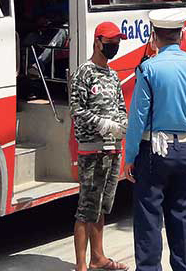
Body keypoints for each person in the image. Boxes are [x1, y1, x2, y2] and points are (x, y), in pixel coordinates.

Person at [123, 8, 186, 271]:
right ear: (182, 35)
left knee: (148, 220)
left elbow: (138, 118)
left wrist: (129, 157)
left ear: (154, 37)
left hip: (153, 153)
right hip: (184, 149)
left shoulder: (149, 69)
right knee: (181, 218)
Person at [70, 22, 130, 271]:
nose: (114, 47)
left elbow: (121, 108)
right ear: (97, 42)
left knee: (102, 206)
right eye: (110, 43)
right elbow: (76, 110)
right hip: (92, 150)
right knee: (86, 208)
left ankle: (98, 258)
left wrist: (123, 125)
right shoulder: (84, 73)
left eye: (117, 43)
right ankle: (81, 265)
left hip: (112, 150)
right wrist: (103, 124)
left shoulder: (113, 75)